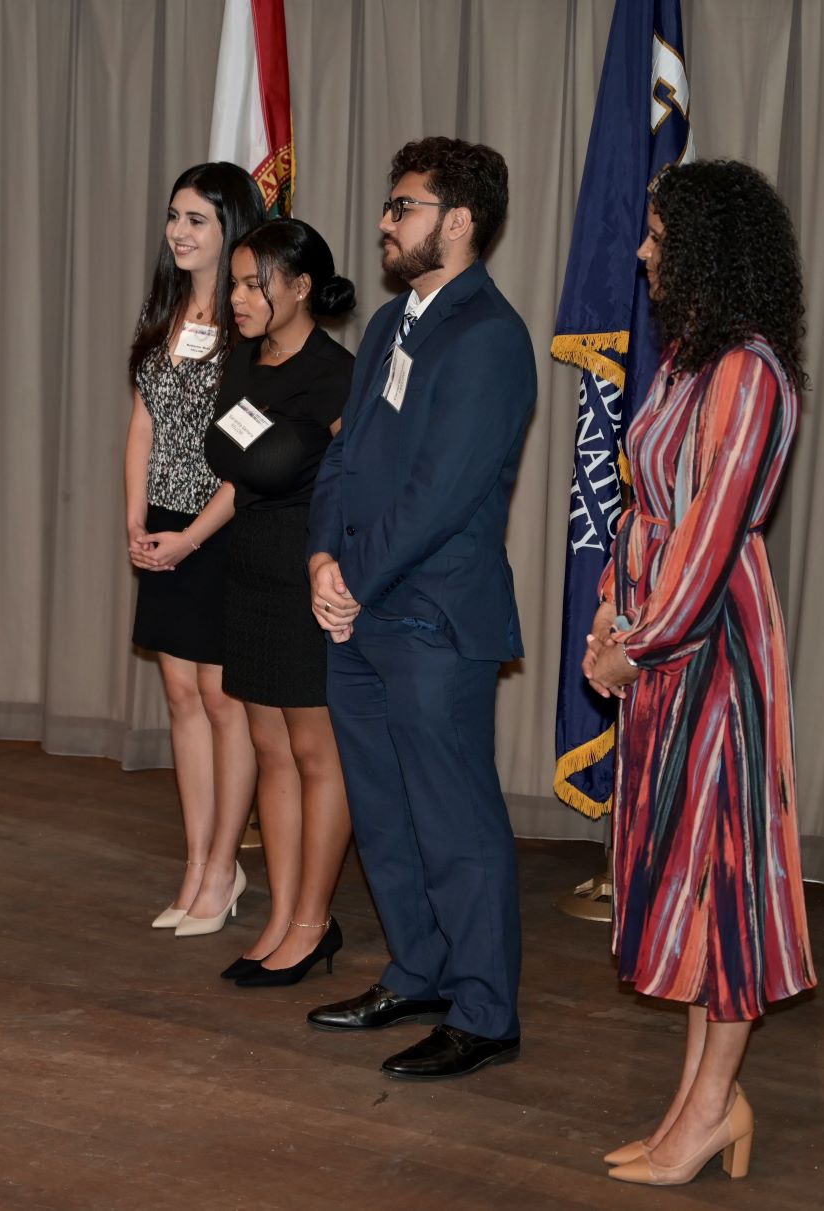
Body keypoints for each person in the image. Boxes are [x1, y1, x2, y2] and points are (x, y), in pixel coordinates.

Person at [584, 159, 816, 1185]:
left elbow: (712, 540)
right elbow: (644, 511)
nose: (642, 251)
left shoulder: (749, 373)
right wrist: (607, 611)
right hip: (659, 645)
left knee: (724, 892)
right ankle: (694, 1104)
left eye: (659, 236)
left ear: (709, 249)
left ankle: (709, 1110)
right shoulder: (687, 359)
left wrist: (633, 647)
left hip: (713, 656)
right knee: (681, 878)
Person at [302, 137, 536, 1079]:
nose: (385, 223)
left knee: (454, 820)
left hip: (433, 615)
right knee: (386, 812)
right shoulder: (396, 323)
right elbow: (344, 454)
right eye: (391, 207)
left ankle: (485, 1010)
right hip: (360, 608)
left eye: (403, 207)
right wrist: (321, 551)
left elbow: (442, 493)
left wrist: (353, 576)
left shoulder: (488, 337)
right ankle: (419, 968)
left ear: (459, 221)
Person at [202, 219, 356, 985]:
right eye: (233, 282)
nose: (238, 296)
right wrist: (190, 541)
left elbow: (354, 486)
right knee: (269, 752)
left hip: (308, 571)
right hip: (250, 567)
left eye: (253, 283)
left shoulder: (337, 374)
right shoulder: (240, 363)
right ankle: (279, 916)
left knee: (313, 754)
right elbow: (237, 476)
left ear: (300, 287)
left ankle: (312, 921)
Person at [124, 163, 266, 937]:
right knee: (180, 697)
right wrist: (136, 526)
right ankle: (196, 861)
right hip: (163, 525)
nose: (179, 231)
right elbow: (142, 425)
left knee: (221, 700)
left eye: (197, 220)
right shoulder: (167, 310)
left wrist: (188, 538)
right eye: (174, 216)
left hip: (220, 527)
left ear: (230, 229)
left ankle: (222, 865)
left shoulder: (250, 318)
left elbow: (251, 458)